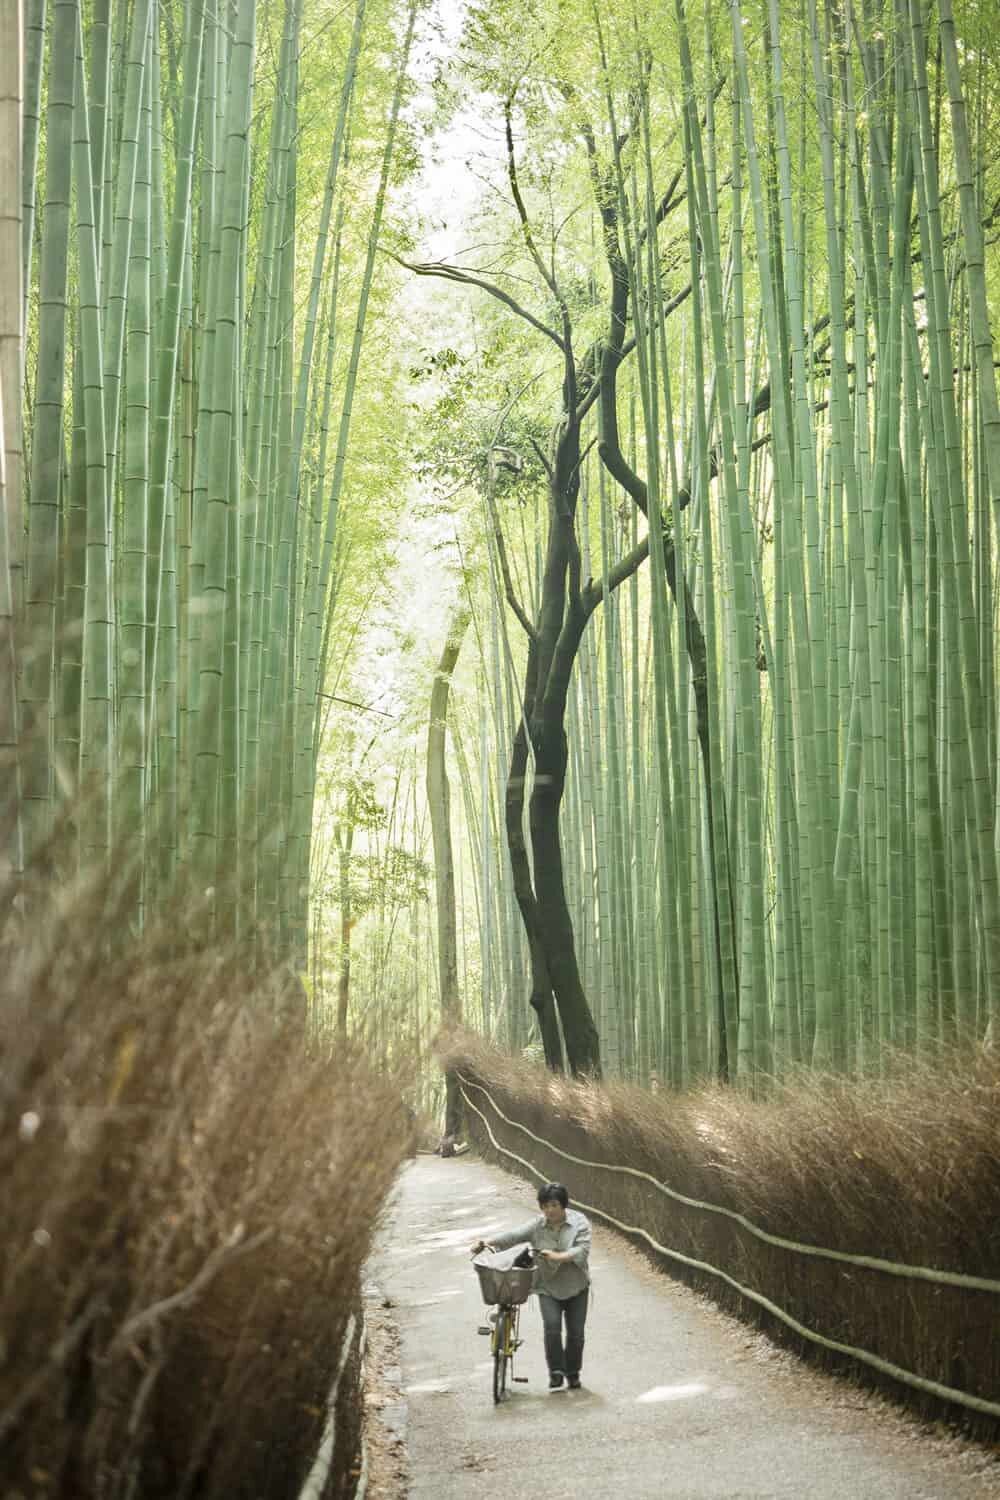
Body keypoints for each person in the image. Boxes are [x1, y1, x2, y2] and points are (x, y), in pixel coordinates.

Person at [472, 1181, 591, 1390]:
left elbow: (581, 1250)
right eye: (545, 1206)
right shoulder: (538, 1225)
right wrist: (487, 1242)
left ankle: (572, 1372)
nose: (549, 1210)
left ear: (563, 1205)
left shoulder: (579, 1222)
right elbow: (514, 1235)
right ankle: (556, 1372)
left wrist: (559, 1256)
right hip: (547, 1285)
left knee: (576, 1333)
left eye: (554, 1205)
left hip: (576, 1284)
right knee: (552, 1327)